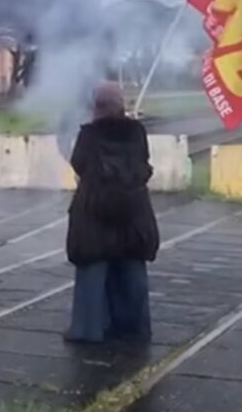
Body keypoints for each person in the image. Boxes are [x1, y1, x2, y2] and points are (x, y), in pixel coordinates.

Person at [64, 82, 161, 343]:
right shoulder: (137, 131)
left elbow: (78, 163)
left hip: (94, 212)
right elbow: (143, 162)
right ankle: (134, 329)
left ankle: (88, 330)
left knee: (91, 272)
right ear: (121, 104)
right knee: (132, 269)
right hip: (133, 212)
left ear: (96, 106)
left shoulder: (89, 135)